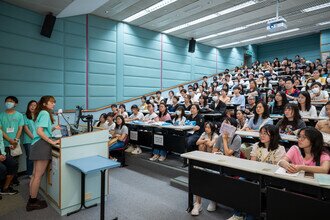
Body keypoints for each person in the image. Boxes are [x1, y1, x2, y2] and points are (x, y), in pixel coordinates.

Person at [229, 124, 286, 220]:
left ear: (273, 135)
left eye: (265, 134)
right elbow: (253, 163)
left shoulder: (280, 149)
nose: (261, 136)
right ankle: (237, 214)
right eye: (261, 133)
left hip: (270, 178)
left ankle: (249, 216)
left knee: (253, 189)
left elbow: (277, 168)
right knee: (240, 182)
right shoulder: (256, 146)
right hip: (256, 174)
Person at [27, 96, 60, 211]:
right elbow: (39, 131)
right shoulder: (45, 113)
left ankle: (32, 198)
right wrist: (52, 141)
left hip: (36, 144)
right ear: (45, 104)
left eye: (54, 102)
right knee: (37, 176)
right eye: (51, 102)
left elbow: (42, 130)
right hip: (42, 145)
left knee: (35, 174)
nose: (54, 104)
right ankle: (32, 203)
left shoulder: (41, 112)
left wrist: (53, 129)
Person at [0, 96, 24, 186]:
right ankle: (5, 183)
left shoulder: (19, 115)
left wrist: (15, 140)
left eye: (11, 101)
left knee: (15, 163)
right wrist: (9, 140)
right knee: (5, 163)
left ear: (15, 104)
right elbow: (0, 129)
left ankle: (14, 180)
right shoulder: (1, 115)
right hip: (4, 143)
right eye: (7, 101)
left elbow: (20, 128)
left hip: (15, 143)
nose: (8, 103)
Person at [0, 128, 19, 196]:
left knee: (13, 164)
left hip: (3, 153)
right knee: (2, 169)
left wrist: (12, 143)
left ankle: (5, 188)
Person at [23, 100, 38, 177]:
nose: (33, 107)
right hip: (28, 140)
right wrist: (34, 137)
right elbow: (26, 129)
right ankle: (29, 173)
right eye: (31, 105)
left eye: (35, 105)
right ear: (28, 106)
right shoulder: (24, 116)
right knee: (30, 157)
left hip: (37, 140)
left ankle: (35, 173)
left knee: (36, 157)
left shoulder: (37, 116)